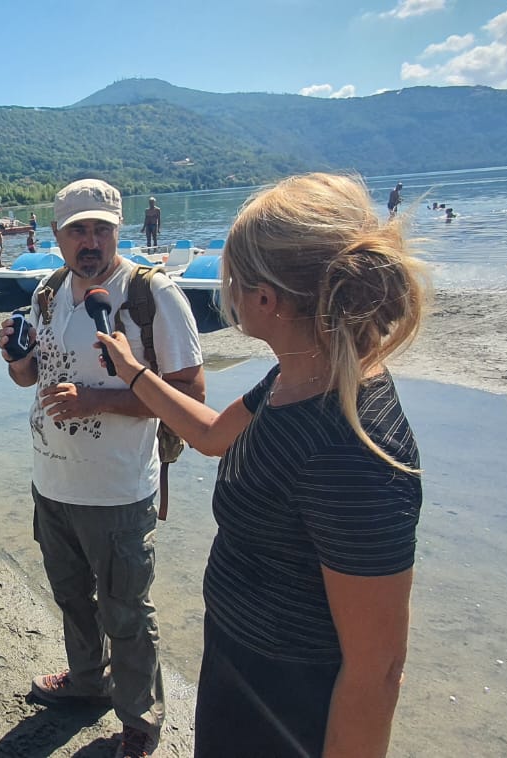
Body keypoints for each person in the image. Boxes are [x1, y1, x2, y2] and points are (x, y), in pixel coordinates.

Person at [95, 172, 426, 758]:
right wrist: (132, 372)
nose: (227, 296)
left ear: (265, 300)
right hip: (237, 671)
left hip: (288, 708)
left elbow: (378, 672)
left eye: (230, 284)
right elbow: (209, 434)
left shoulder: (350, 447)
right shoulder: (298, 375)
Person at [0, 178, 205, 757]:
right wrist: (15, 357)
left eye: (101, 229)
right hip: (51, 483)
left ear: (120, 230)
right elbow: (28, 379)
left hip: (117, 492)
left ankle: (140, 723)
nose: (90, 242)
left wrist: (99, 401)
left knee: (128, 613)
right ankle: (89, 682)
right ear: (58, 235)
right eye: (78, 230)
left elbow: (191, 394)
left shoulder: (152, 295)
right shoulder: (46, 291)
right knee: (71, 597)